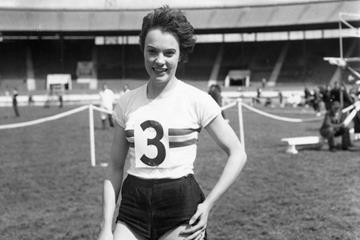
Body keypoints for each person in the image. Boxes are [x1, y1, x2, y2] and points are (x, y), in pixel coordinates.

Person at [97, 6, 247, 240]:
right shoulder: (126, 102)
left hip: (180, 204)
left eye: (169, 53)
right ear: (143, 51)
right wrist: (106, 227)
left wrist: (208, 204)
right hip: (133, 204)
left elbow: (237, 152)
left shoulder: (197, 100)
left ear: (181, 55)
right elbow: (115, 167)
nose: (160, 60)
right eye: (152, 51)